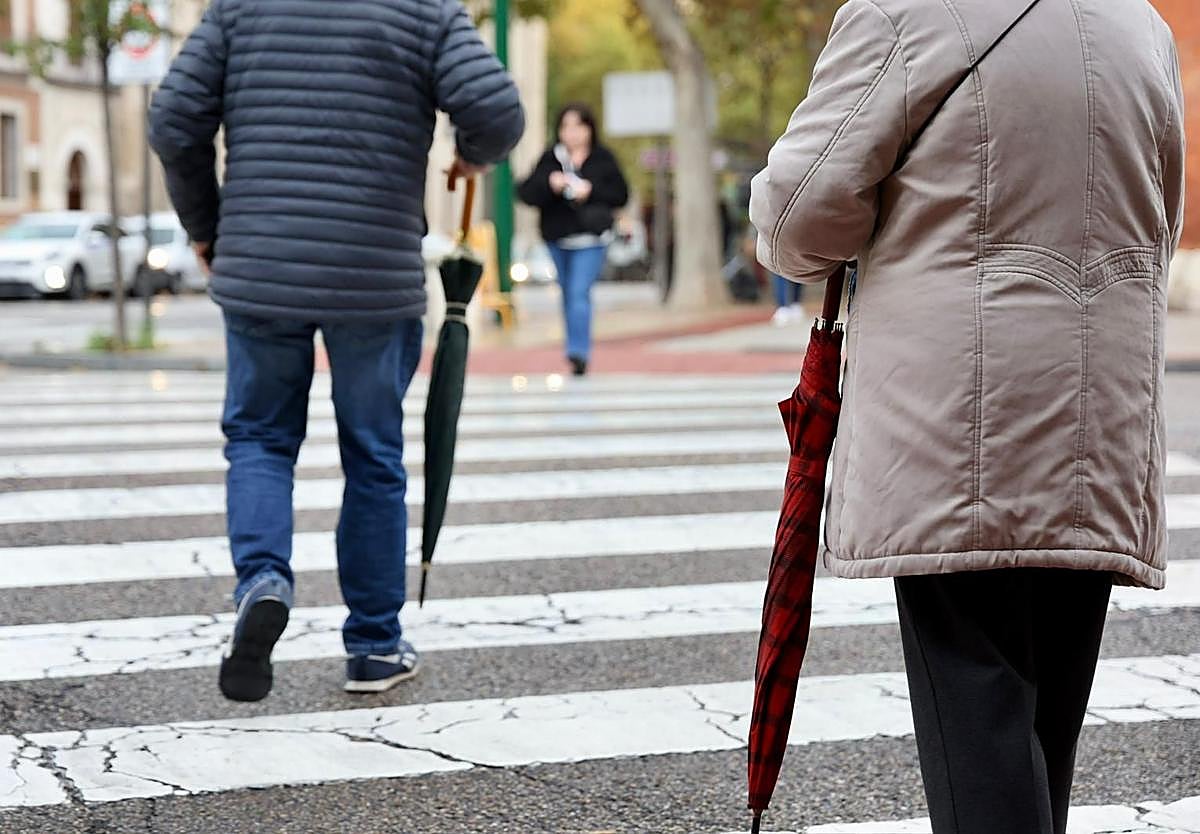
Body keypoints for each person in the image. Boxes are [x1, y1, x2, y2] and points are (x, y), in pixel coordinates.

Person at [750, 1, 1183, 832]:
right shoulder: (1141, 25)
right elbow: (1160, 222)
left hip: (953, 423)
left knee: (978, 739)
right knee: (1042, 739)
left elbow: (800, 215)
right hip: (1103, 420)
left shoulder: (899, 15)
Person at [149, 0, 524, 701]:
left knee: (260, 438)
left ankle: (263, 581)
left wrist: (206, 226)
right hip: (372, 274)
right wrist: (472, 154)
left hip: (261, 267)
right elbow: (497, 110)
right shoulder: (424, 9)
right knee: (373, 455)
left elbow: (173, 120)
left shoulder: (239, 8)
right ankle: (375, 647)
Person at [518, 104, 629, 376]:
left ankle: (579, 352)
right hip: (557, 239)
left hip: (591, 239)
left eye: (578, 126)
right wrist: (550, 183)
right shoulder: (550, 160)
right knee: (568, 293)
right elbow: (525, 192)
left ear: (590, 129)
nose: (572, 133)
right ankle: (573, 346)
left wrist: (590, 190)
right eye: (566, 126)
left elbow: (621, 194)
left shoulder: (602, 159)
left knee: (579, 292)